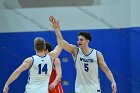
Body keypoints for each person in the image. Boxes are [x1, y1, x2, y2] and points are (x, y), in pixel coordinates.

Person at [49, 16, 117, 93]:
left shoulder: (97, 54)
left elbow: (106, 69)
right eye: (78, 40)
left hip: (94, 88)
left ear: (87, 41)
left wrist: (113, 81)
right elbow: (61, 43)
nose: (78, 41)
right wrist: (56, 29)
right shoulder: (75, 51)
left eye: (81, 40)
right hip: (80, 88)